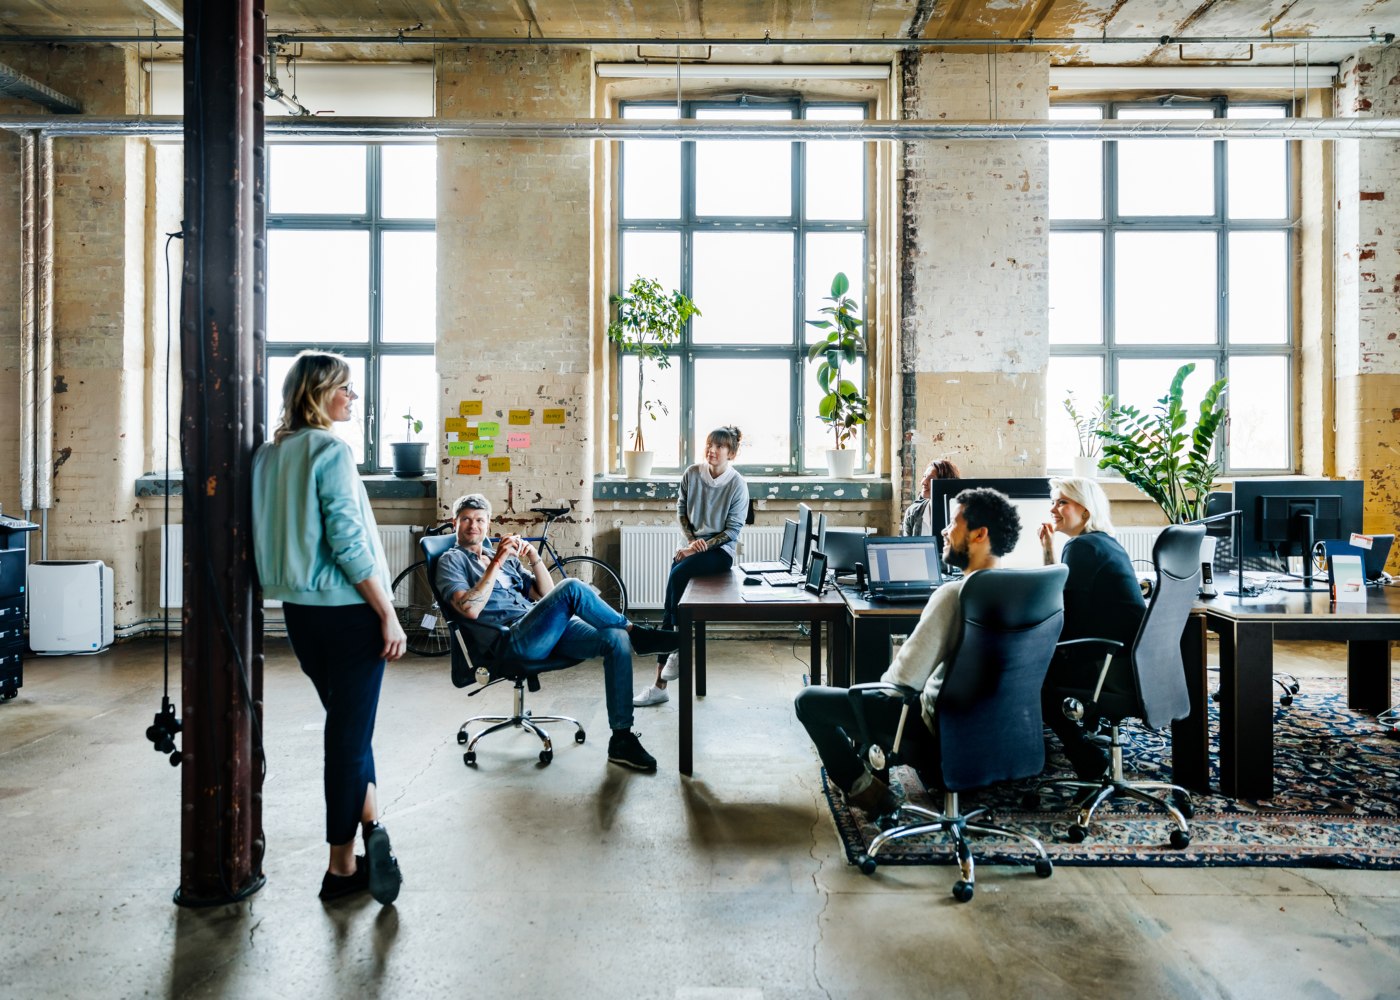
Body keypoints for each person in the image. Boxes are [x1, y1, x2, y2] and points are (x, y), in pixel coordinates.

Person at [252, 350, 405, 905]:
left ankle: (373, 827)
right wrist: (387, 611)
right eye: (346, 388)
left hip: (300, 616)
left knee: (349, 731)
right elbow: (348, 543)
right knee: (346, 740)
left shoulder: (270, 455)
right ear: (318, 393)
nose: (353, 398)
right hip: (349, 615)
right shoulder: (330, 451)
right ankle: (342, 870)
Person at [794, 488, 1023, 816]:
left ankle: (863, 789)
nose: (944, 531)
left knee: (809, 701)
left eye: (954, 523)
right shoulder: (1027, 591)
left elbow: (899, 684)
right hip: (1005, 738)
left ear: (980, 534)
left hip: (938, 740)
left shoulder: (953, 596)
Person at [436, 493, 678, 772]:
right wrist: (496, 564)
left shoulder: (499, 555)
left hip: (541, 629)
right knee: (573, 586)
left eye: (479, 520)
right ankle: (639, 633)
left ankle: (621, 738)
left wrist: (535, 559)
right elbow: (469, 609)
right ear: (454, 523)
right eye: (466, 520)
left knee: (615, 638)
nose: (473, 526)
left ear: (488, 524)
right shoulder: (451, 561)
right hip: (511, 641)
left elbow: (547, 594)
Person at [1037, 476, 1147, 781]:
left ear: (1085, 511)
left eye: (1062, 502)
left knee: (1027, 674)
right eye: (1053, 502)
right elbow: (1064, 599)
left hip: (1110, 668)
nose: (1054, 509)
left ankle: (1083, 754)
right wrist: (1048, 549)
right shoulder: (1101, 543)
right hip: (1132, 664)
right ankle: (1083, 738)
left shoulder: (1082, 547)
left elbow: (1060, 614)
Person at [634, 425, 748, 707]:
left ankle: (669, 660)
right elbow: (682, 511)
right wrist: (692, 542)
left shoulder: (738, 484)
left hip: (720, 552)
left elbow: (732, 531)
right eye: (709, 444)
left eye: (719, 446)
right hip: (694, 546)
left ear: (730, 453)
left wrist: (699, 546)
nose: (712, 450)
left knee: (679, 571)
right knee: (676, 578)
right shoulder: (692, 474)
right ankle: (671, 654)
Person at [900, 458, 961, 536]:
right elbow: (908, 546)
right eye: (924, 476)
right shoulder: (912, 512)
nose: (923, 482)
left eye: (931, 479)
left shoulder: (959, 513)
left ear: (945, 482)